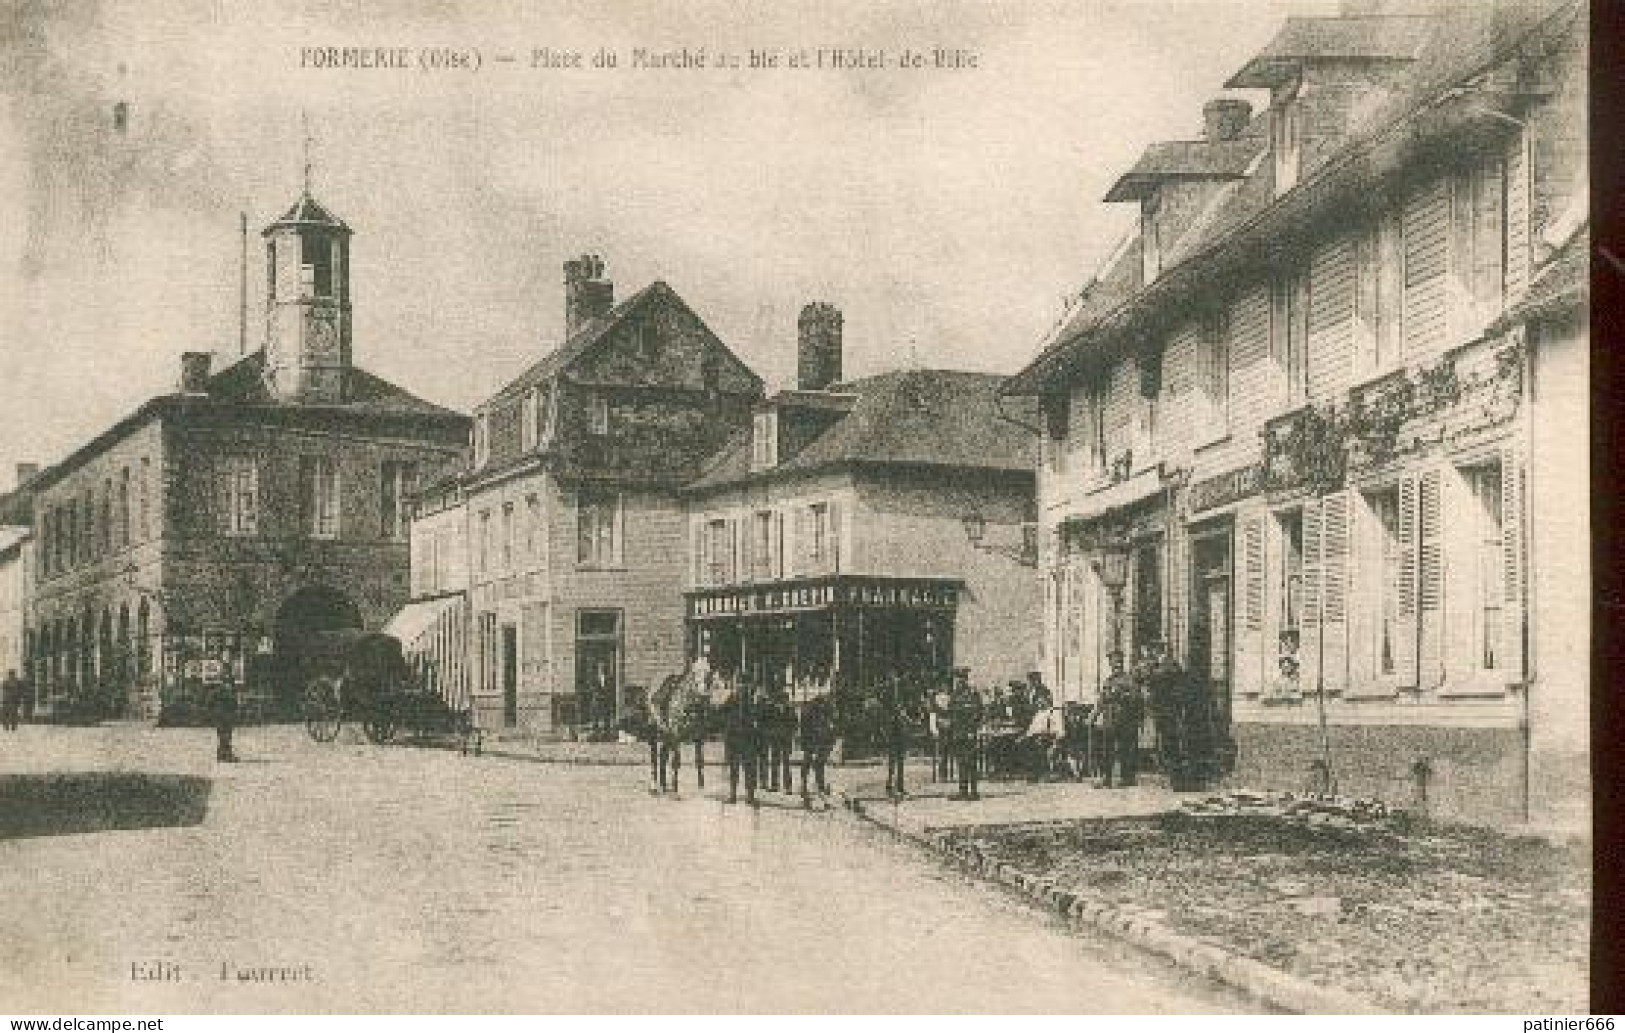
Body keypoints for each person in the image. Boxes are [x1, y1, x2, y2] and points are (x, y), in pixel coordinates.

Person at [1095, 649, 1141, 788]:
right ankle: (1106, 777)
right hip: (1109, 720)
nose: (1116, 665)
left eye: (1118, 662)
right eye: (1113, 662)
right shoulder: (1108, 681)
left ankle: (1127, 778)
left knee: (1125, 749)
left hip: (1125, 719)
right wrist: (1093, 716)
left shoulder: (1129, 679)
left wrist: (1120, 695)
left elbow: (1135, 698)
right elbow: (1102, 700)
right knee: (1106, 750)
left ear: (1122, 663)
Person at [948, 668, 985, 801]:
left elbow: (979, 712)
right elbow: (951, 711)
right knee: (961, 762)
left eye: (961, 678)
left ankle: (974, 792)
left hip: (969, 732)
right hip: (958, 732)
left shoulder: (973, 693)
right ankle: (962, 791)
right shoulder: (954, 694)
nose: (958, 681)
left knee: (971, 762)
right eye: (957, 679)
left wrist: (972, 729)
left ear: (965, 679)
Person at [721, 677, 758, 806]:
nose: (742, 687)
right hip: (734, 740)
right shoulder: (731, 699)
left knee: (750, 770)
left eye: (744, 684)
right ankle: (733, 795)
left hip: (748, 740)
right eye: (740, 684)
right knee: (734, 769)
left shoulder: (752, 700)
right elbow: (722, 714)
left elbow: (757, 718)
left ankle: (750, 796)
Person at [798, 691, 837, 807]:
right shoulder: (809, 712)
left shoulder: (823, 711)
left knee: (816, 765)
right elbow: (805, 729)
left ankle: (817, 787)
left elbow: (828, 728)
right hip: (811, 742)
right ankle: (806, 785)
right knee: (810, 764)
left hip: (818, 742)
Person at [880, 673, 916, 798]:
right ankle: (890, 785)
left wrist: (905, 718)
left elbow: (904, 710)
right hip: (891, 729)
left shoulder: (903, 692)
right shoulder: (886, 694)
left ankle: (899, 786)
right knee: (892, 758)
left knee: (900, 758)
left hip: (900, 729)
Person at [210, 654, 239, 763]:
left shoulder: (226, 685)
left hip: (225, 712)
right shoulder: (221, 686)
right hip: (223, 713)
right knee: (224, 734)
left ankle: (224, 753)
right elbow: (214, 699)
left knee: (225, 733)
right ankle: (224, 754)